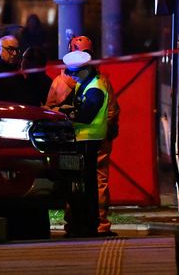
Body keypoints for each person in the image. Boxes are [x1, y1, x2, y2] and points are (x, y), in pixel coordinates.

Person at [46, 35, 119, 236]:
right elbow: (112, 110)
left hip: (82, 140)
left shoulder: (65, 82)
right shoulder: (100, 80)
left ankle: (77, 224)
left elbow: (52, 109)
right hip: (97, 139)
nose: (74, 76)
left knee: (78, 183)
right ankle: (99, 223)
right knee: (96, 182)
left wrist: (66, 114)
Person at [61, 50, 108, 237]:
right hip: (84, 139)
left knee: (86, 184)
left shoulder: (95, 88)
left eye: (73, 73)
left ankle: (89, 224)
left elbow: (86, 116)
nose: (72, 78)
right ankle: (86, 223)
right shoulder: (87, 83)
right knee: (83, 183)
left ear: (84, 70)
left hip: (88, 139)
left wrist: (66, 115)